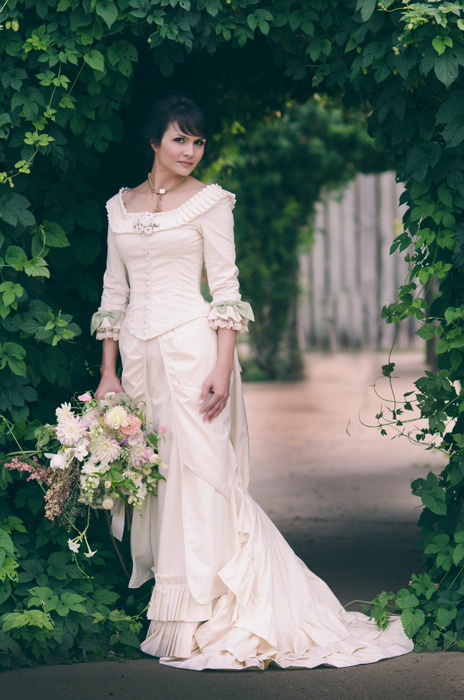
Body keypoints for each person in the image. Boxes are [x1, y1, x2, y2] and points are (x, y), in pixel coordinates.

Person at [91, 92, 414, 670]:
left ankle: (223, 609)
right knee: (160, 478)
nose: (191, 150)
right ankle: (178, 618)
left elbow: (227, 289)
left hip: (194, 355)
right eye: (179, 139)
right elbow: (113, 296)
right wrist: (108, 374)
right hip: (138, 364)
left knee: (207, 475)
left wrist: (222, 365)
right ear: (153, 141)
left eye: (198, 141)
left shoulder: (211, 203)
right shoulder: (119, 206)